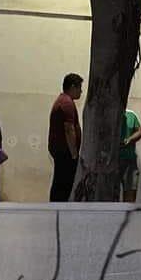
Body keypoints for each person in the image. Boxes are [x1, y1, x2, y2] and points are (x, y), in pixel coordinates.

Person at [49, 73, 83, 202]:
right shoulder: (66, 103)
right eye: (79, 88)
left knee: (60, 184)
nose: (81, 91)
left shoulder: (62, 101)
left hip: (62, 151)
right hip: (65, 152)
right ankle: (58, 213)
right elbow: (69, 129)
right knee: (63, 186)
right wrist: (74, 154)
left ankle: (57, 211)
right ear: (73, 87)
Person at [119, 107, 141, 202]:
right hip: (110, 161)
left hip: (129, 160)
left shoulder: (130, 114)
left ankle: (128, 216)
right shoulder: (107, 113)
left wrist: (130, 139)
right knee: (111, 195)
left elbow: (140, 131)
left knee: (130, 194)